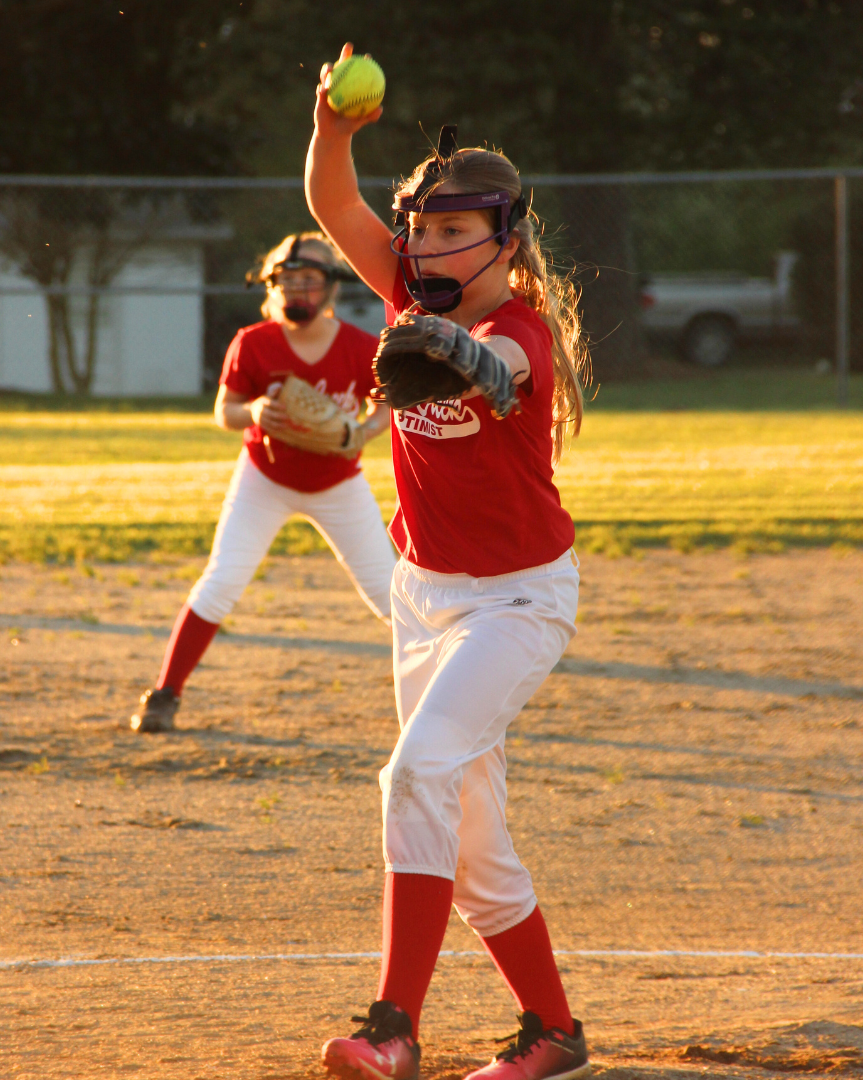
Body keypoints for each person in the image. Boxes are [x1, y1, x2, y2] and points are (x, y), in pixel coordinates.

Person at [305, 44, 592, 1080]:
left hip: (518, 601)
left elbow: (506, 368)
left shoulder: (516, 325)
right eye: (421, 226)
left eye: (455, 229)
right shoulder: (401, 290)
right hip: (423, 598)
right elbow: (333, 205)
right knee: (470, 846)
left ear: (507, 244)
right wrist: (334, 129)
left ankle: (393, 1029)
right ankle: (554, 1034)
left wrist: (462, 355)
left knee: (416, 772)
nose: (427, 244)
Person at [129, 231, 395, 733]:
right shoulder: (254, 342)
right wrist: (251, 410)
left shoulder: (361, 348)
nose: (298, 291)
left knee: (389, 594)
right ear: (271, 286)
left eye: (310, 280)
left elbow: (384, 402)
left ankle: (438, 696)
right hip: (265, 477)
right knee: (222, 580)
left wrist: (365, 430)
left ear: (331, 286)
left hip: (338, 481)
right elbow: (223, 411)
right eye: (287, 280)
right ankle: (166, 693)